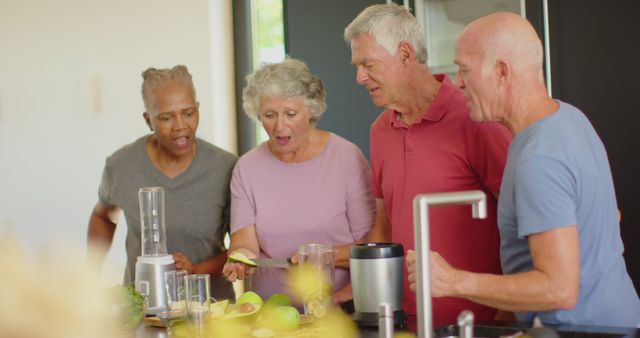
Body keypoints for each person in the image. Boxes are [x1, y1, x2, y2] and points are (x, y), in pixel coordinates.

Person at [407, 12, 640, 327]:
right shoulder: (568, 118)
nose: (457, 82)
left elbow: (558, 289)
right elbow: (608, 217)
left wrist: (452, 281)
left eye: (464, 70)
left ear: (502, 72)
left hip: (583, 330)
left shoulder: (538, 158)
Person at [343, 4, 512, 325]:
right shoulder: (380, 129)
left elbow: (520, 217)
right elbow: (384, 223)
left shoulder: (475, 117)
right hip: (403, 318)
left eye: (367, 64)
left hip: (477, 320)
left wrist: (509, 308)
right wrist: (360, 289)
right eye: (357, 66)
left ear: (405, 54)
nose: (359, 77)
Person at [221, 58, 375, 303]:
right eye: (269, 115)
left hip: (338, 309)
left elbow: (371, 245)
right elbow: (244, 242)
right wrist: (240, 258)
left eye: (290, 114)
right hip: (271, 312)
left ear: (311, 110)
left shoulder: (347, 158)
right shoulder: (247, 168)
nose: (279, 126)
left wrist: (322, 256)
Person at [87, 65, 237, 300]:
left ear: (198, 109)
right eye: (166, 118)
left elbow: (241, 250)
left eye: (188, 113)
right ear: (148, 120)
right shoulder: (122, 165)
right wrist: (90, 274)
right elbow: (104, 215)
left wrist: (195, 271)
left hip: (210, 312)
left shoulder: (226, 168)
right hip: (143, 310)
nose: (180, 126)